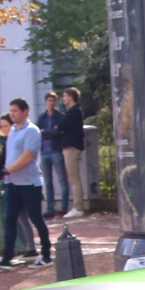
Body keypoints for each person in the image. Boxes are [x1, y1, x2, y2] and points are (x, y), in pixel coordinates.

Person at [0, 97, 49, 267]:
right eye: (11, 111)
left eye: (15, 111)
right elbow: (8, 157)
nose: (12, 114)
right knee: (10, 219)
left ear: (25, 111)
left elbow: (27, 158)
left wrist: (6, 171)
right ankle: (7, 257)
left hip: (29, 184)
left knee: (36, 219)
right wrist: (0, 172)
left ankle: (46, 255)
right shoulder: (13, 131)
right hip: (12, 184)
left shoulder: (31, 131)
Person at [57, 87, 89, 215]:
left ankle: (78, 207)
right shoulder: (75, 111)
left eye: (65, 96)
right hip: (71, 146)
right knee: (74, 177)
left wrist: (59, 127)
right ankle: (78, 206)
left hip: (71, 147)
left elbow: (62, 126)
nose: (63, 98)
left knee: (74, 177)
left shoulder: (73, 111)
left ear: (71, 97)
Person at [39, 92, 70, 218]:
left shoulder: (60, 116)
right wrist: (50, 132)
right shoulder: (42, 117)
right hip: (44, 152)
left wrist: (46, 131)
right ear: (45, 102)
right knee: (47, 182)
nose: (51, 103)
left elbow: (59, 132)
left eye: (53, 101)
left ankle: (63, 208)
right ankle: (50, 209)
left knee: (62, 180)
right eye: (49, 100)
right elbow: (38, 132)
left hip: (56, 150)